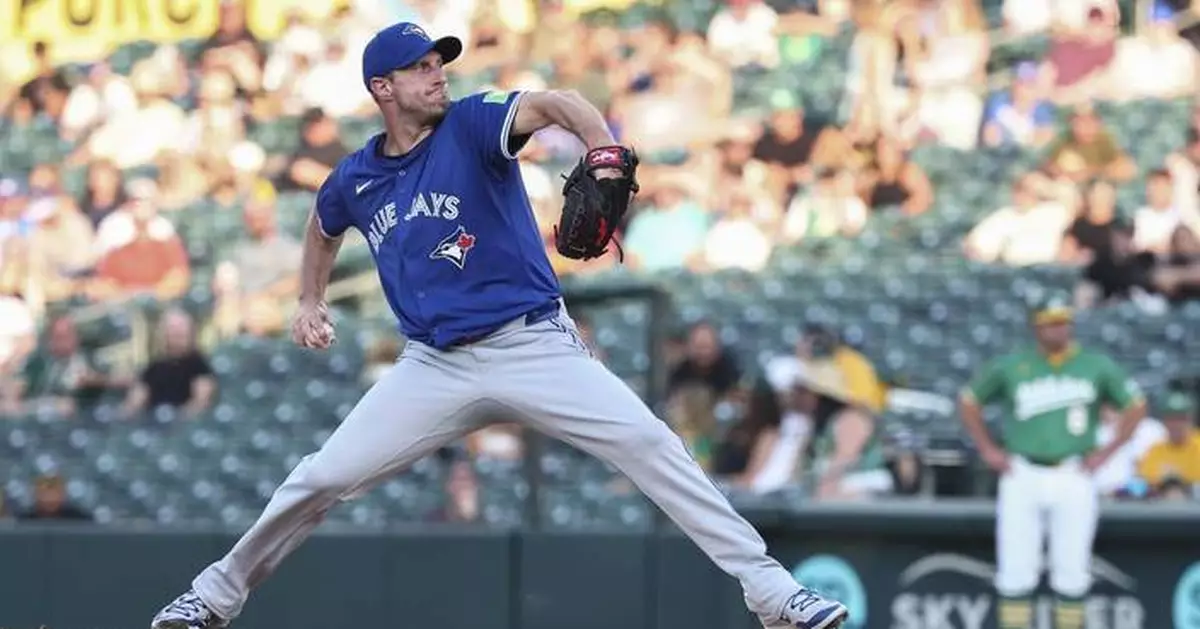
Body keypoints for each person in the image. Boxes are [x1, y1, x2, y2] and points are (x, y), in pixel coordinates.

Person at [150, 22, 848, 629]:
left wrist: (601, 147)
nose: (436, 74)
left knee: (648, 440)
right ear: (381, 88)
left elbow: (554, 103)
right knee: (321, 476)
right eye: (419, 67)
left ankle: (772, 591)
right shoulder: (357, 177)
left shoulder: (474, 122)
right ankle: (209, 599)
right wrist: (310, 298)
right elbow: (323, 225)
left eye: (437, 62)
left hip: (531, 341)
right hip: (433, 365)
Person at [958, 292, 1145, 629]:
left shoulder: (1094, 364)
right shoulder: (1013, 364)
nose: (1059, 330)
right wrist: (988, 448)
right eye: (1051, 323)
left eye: (1064, 322)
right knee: (1014, 571)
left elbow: (1136, 404)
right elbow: (969, 400)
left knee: (1072, 571)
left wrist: (1107, 451)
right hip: (1022, 471)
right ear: (1036, 326)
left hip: (1073, 472)